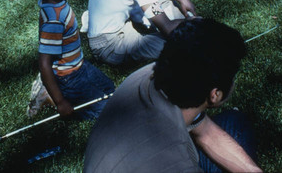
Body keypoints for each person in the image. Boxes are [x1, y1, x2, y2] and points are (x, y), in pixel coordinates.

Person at [84, 18, 262, 173]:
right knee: (237, 127)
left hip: (131, 155)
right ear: (215, 95)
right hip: (160, 160)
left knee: (234, 121)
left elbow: (205, 132)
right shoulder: (174, 165)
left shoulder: (154, 76)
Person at [29, 0, 115, 120]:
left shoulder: (56, 2)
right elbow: (44, 62)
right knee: (105, 112)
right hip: (68, 77)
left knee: (110, 90)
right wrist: (60, 102)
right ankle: (51, 96)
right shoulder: (53, 20)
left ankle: (55, 92)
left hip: (80, 65)